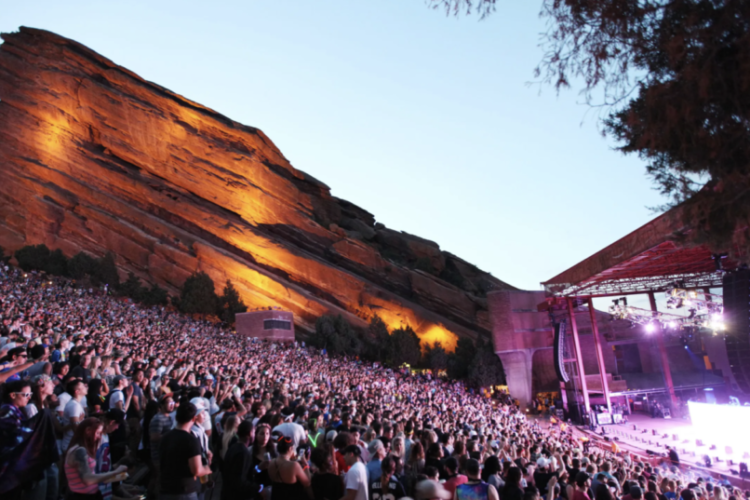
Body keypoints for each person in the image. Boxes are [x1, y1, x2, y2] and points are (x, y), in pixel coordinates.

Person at [64, 417, 128, 500]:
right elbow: (88, 479)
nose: (99, 437)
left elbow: (93, 476)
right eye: (98, 433)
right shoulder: (79, 451)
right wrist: (116, 472)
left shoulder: (85, 449)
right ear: (88, 430)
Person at [159, 402, 212, 500]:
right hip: (184, 491)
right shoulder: (191, 440)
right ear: (193, 418)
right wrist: (208, 469)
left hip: (165, 489)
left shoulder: (165, 437)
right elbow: (196, 470)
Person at [221, 420, 259, 500]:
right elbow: (240, 481)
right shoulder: (243, 453)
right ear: (250, 433)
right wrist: (259, 488)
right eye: (254, 432)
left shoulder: (233, 447)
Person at [266, 434, 312, 499]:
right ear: (290, 448)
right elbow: (307, 483)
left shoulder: (271, 462)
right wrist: (305, 464)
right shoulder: (294, 465)